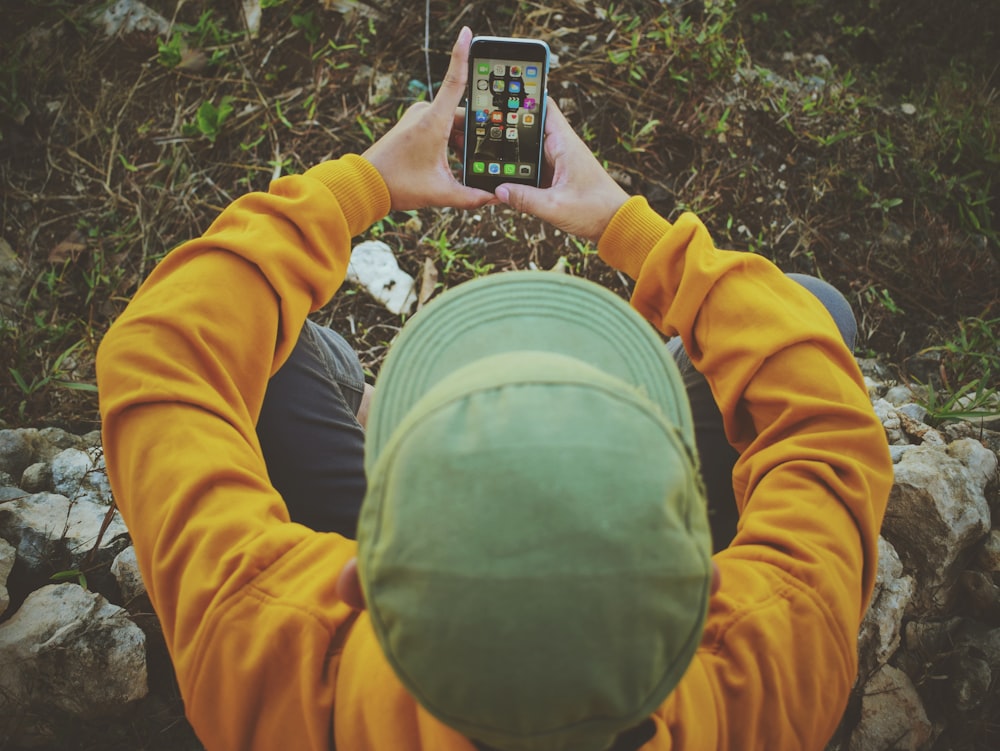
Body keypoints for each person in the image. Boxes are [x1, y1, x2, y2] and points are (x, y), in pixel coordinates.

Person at [96, 26, 892, 751]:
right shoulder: (763, 676)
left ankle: (381, 419)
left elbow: (160, 350)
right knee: (813, 308)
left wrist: (366, 181)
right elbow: (822, 412)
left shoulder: (284, 664)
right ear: (704, 583)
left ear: (359, 576)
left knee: (282, 362)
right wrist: (623, 219)